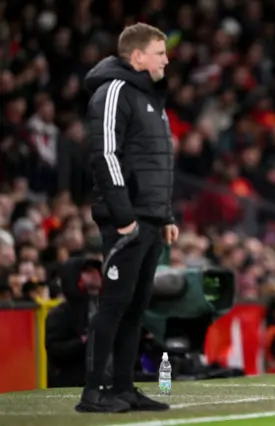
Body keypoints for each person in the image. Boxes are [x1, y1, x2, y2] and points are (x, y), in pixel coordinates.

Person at [76, 23, 179, 413]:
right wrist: (124, 217)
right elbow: (106, 154)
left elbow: (156, 164)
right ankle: (93, 392)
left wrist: (164, 213)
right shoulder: (114, 91)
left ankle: (122, 387)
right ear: (137, 56)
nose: (166, 60)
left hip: (149, 218)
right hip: (128, 218)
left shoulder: (149, 99)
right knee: (114, 305)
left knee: (136, 307)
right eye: (159, 53)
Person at [46, 257, 108, 388]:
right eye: (88, 271)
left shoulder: (108, 307)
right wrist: (82, 342)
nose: (95, 274)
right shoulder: (61, 313)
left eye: (96, 270)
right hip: (75, 382)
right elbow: (54, 351)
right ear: (74, 276)